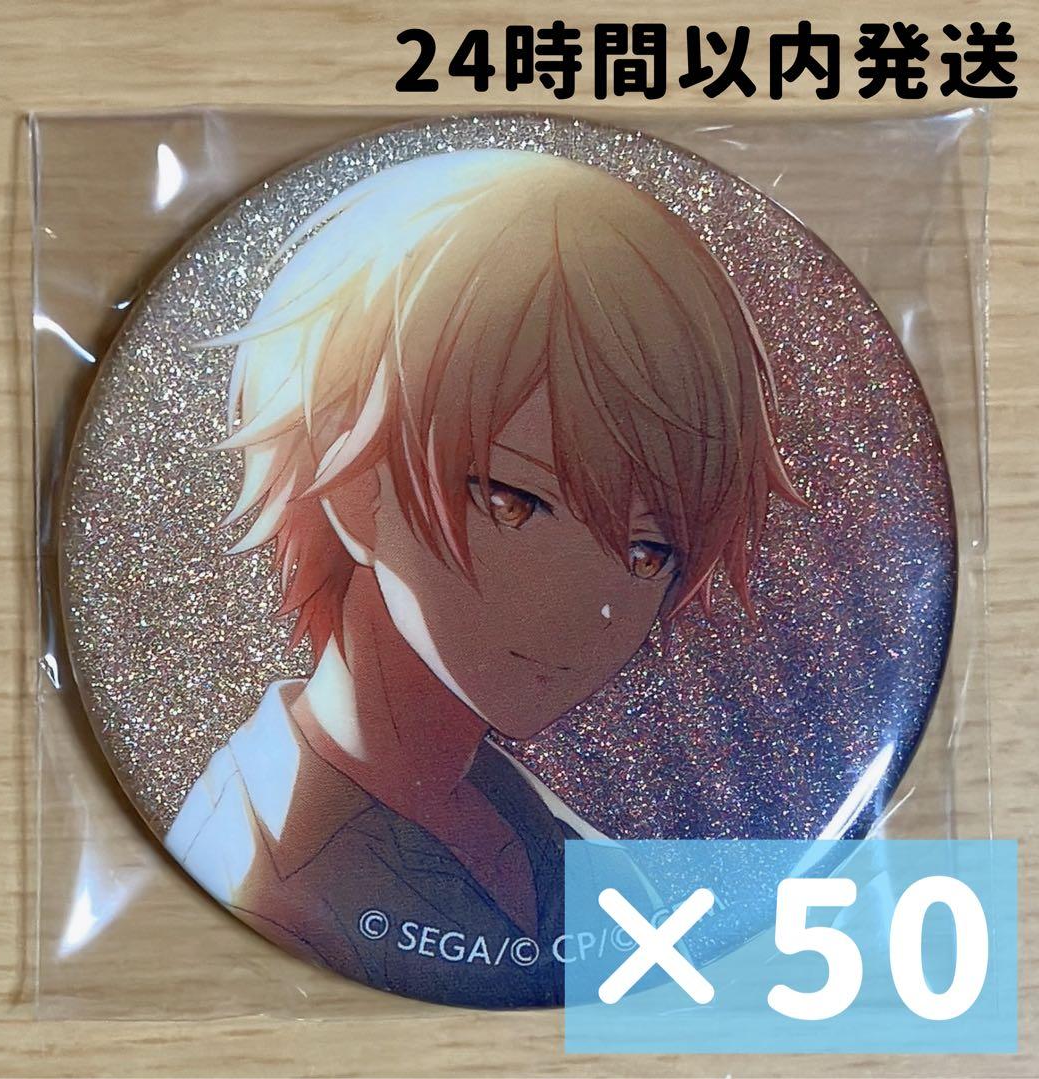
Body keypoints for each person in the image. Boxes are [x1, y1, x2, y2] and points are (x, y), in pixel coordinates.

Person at [166, 148, 801, 1007]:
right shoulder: (262, 886)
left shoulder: (555, 846)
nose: (594, 608)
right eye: (515, 502)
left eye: (649, 553)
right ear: (352, 480)